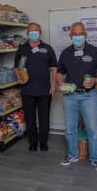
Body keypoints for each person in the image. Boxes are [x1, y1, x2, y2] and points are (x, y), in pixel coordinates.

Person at [57, 22, 97, 172]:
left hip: (89, 95)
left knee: (92, 129)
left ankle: (96, 159)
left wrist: (95, 80)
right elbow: (60, 72)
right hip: (70, 96)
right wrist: (60, 84)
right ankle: (72, 155)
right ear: (70, 35)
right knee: (70, 129)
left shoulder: (95, 52)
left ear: (85, 35)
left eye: (81, 34)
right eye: (75, 34)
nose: (78, 37)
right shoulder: (65, 53)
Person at [15, 23, 58, 151]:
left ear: (40, 33)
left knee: (44, 118)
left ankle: (43, 143)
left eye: (36, 31)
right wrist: (18, 78)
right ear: (27, 33)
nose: (34, 33)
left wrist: (53, 84)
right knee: (30, 119)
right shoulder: (22, 49)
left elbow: (54, 68)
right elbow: (17, 68)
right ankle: (32, 143)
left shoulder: (47, 48)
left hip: (45, 90)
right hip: (27, 89)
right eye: (31, 31)